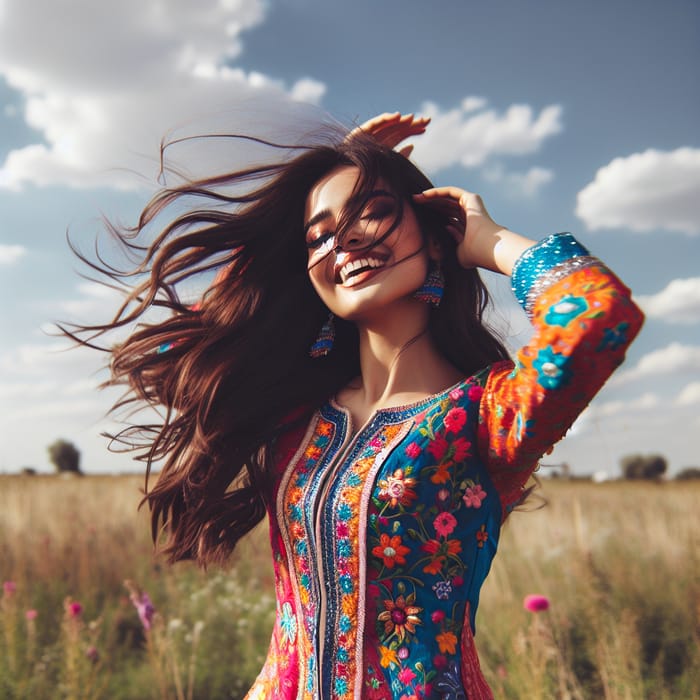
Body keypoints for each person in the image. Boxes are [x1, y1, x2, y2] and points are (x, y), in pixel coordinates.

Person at [74, 112, 643, 699]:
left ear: (436, 234)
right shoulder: (295, 415)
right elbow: (177, 351)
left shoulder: (485, 414)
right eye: (318, 235)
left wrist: (487, 240)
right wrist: (282, 239)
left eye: (370, 212)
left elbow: (600, 315)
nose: (342, 239)